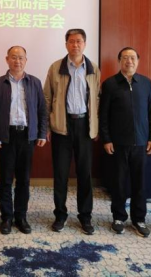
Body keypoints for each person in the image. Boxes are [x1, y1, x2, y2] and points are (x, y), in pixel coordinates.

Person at [43, 29, 101, 235]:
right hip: (62, 126)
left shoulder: (93, 68)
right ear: (66, 44)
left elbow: (97, 99)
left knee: (85, 174)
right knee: (60, 174)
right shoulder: (56, 67)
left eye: (79, 41)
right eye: (71, 41)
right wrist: (46, 127)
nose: (75, 45)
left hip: (85, 126)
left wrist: (96, 126)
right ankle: (60, 215)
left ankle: (85, 216)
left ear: (84, 44)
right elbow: (47, 98)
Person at [99, 47, 151, 238]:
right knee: (119, 183)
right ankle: (118, 217)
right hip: (117, 144)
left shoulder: (146, 83)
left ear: (138, 61)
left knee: (139, 183)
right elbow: (103, 114)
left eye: (132, 58)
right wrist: (106, 139)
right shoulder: (110, 84)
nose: (129, 61)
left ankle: (139, 219)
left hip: (141, 143)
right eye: (125, 58)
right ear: (120, 61)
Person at [0, 46, 47, 235]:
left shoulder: (34, 82)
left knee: (24, 179)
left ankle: (21, 217)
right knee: (6, 179)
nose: (17, 61)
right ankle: (6, 217)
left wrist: (41, 133)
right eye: (13, 57)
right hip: (6, 136)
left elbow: (42, 110)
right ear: (7, 59)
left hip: (27, 137)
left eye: (21, 57)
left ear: (26, 60)